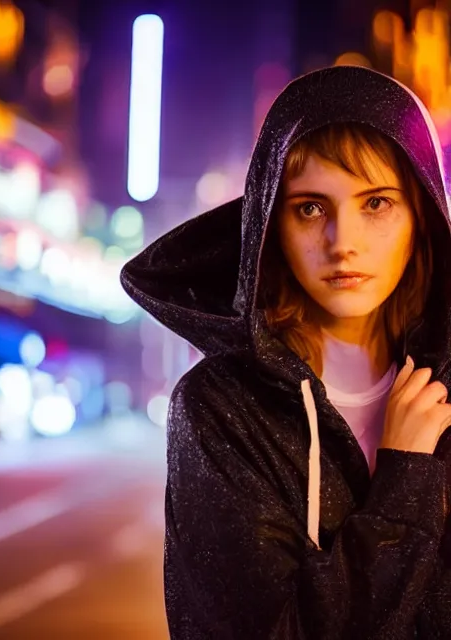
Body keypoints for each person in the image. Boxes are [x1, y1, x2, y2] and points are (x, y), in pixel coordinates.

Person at [120, 65, 451, 639]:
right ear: (270, 228)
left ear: (420, 217)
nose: (342, 241)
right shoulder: (220, 410)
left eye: (375, 203)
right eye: (310, 208)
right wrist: (406, 482)